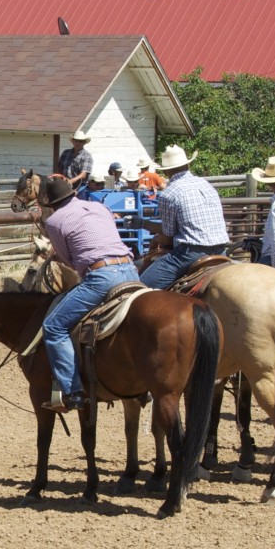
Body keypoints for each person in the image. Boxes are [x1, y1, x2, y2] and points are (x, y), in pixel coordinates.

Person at [36, 174, 139, 413]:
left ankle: (72, 392)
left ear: (50, 203)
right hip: (131, 270)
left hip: (101, 277)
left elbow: (69, 262)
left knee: (54, 327)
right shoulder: (98, 207)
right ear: (72, 193)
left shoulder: (54, 222)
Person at [138, 145, 229, 288]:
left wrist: (152, 234)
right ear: (187, 164)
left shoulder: (169, 193)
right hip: (221, 250)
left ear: (166, 171)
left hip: (190, 254)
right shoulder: (206, 184)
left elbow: (168, 236)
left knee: (142, 286)